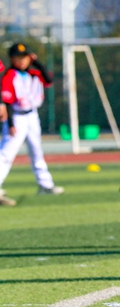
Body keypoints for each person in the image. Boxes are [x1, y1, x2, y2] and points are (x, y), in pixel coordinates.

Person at [0, 43, 63, 206]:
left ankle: (45, 184)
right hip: (16, 117)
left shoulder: (34, 74)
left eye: (25, 57)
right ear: (12, 59)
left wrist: (37, 62)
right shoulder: (9, 75)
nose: (22, 61)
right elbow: (7, 101)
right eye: (18, 58)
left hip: (32, 116)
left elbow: (49, 79)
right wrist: (11, 123)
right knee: (6, 153)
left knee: (36, 151)